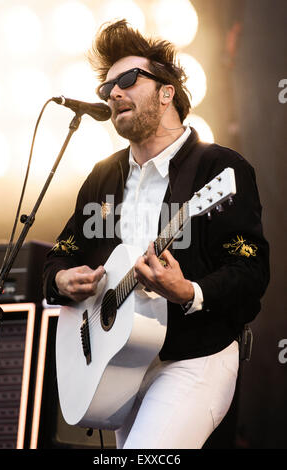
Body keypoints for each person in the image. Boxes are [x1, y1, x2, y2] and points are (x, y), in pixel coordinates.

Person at [43, 20, 269, 449]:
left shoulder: (218, 170)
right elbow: (62, 251)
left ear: (167, 92)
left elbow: (251, 271)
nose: (113, 93)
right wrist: (60, 279)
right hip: (119, 364)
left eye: (127, 79)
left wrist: (188, 292)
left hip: (194, 359)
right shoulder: (102, 177)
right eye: (107, 87)